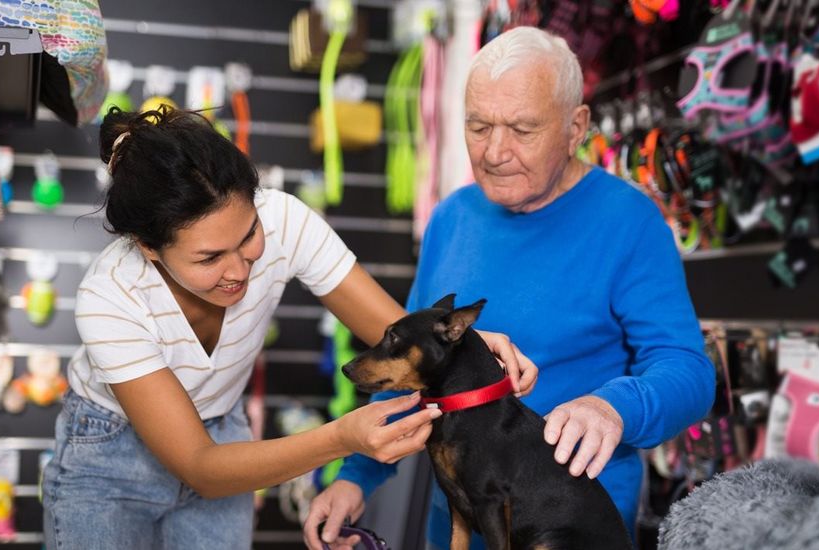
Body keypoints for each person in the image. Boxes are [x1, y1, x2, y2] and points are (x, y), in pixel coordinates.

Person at [40, 106, 536, 550]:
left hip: (223, 427)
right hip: (108, 455)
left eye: (248, 235)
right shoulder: (110, 297)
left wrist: (465, 347)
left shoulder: (284, 221)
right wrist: (344, 438)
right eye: (210, 257)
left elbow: (393, 331)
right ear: (148, 247)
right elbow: (200, 467)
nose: (239, 270)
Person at [304, 26, 716, 550]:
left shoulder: (630, 221)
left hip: (570, 529)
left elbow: (690, 372)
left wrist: (614, 407)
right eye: (478, 127)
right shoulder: (451, 216)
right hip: (456, 525)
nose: (495, 151)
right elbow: (413, 369)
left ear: (576, 127)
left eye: (522, 129)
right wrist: (354, 477)